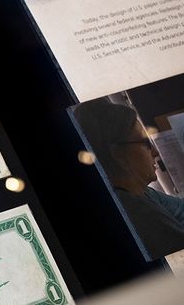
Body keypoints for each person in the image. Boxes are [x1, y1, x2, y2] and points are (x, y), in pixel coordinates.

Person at [75, 100, 184, 258]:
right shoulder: (138, 213)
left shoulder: (140, 192)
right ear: (118, 154)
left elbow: (181, 209)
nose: (155, 152)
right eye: (146, 143)